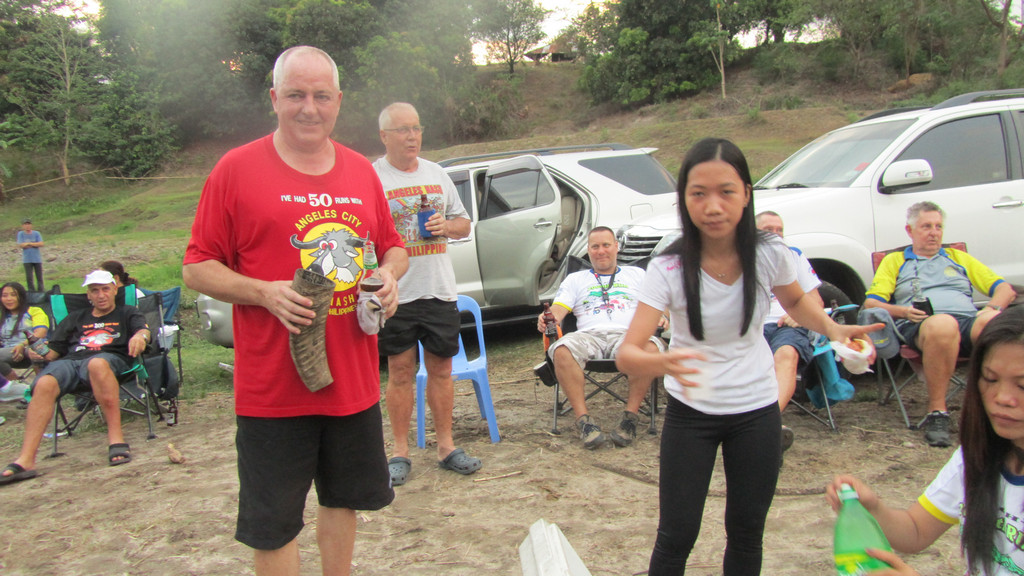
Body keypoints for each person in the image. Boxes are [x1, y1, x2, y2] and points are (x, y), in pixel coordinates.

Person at [182, 46, 407, 576]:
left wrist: (390, 276)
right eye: (296, 95)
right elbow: (196, 267)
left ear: (338, 101)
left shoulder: (360, 171)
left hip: (352, 380)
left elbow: (392, 246)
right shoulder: (236, 169)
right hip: (273, 391)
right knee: (275, 522)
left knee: (343, 500)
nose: (309, 108)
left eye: (321, 96)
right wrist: (263, 292)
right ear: (274, 99)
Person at [615, 138, 880, 575]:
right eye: (698, 193)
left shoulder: (769, 253)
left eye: (726, 192)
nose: (712, 206)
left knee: (746, 532)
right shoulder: (668, 267)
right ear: (684, 198)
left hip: (756, 412)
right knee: (676, 535)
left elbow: (796, 303)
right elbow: (627, 353)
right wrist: (661, 362)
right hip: (690, 413)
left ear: (746, 194)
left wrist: (833, 328)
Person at [826, 305, 1024, 576]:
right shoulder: (978, 456)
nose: (1002, 397)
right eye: (990, 379)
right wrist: (871, 507)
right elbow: (916, 531)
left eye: (1022, 385)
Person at [372, 102, 479, 486]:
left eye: (416, 128)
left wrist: (445, 226)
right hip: (396, 293)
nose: (412, 136)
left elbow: (464, 223)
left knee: (442, 370)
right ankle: (399, 452)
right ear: (384, 136)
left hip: (438, 290)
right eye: (402, 130)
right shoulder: (372, 177)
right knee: (400, 372)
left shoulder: (437, 174)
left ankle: (446, 447)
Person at [864, 200, 1017, 447]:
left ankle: (998, 407)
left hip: (966, 322)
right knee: (943, 324)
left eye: (938, 226)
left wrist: (992, 309)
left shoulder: (958, 257)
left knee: (993, 323)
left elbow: (1005, 290)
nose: (934, 233)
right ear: (910, 230)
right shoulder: (894, 261)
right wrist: (903, 311)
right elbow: (872, 304)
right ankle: (938, 412)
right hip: (921, 325)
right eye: (926, 226)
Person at [0, 269, 150, 486]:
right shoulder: (75, 317)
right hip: (71, 362)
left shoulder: (127, 312)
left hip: (110, 360)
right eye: (94, 290)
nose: (100, 295)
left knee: (97, 364)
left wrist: (140, 336)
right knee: (45, 382)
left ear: (114, 290)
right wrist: (37, 351)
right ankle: (26, 459)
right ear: (88, 294)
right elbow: (52, 354)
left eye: (105, 289)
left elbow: (144, 331)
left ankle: (116, 438)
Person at [538, 226, 667, 449]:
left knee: (650, 348)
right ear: (588, 250)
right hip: (588, 336)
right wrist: (547, 318)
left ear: (616, 247)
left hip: (629, 335)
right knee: (562, 349)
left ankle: (630, 418)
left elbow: (659, 304)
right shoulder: (575, 279)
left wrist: (663, 316)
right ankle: (584, 422)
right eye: (595, 246)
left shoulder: (637, 275)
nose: (601, 251)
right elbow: (558, 310)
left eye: (606, 245)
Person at [755, 210, 823, 452]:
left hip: (788, 324)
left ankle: (767, 424)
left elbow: (816, 300)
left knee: (786, 354)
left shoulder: (793, 255)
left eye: (779, 230)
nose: (776, 235)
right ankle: (768, 429)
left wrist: (798, 315)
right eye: (768, 230)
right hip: (753, 327)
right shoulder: (739, 258)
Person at [0, 281, 48, 401]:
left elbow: (40, 333)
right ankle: (18, 387)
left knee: (35, 350)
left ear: (21, 296)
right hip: (8, 352)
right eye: (5, 295)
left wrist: (22, 345)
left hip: (32, 348)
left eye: (13, 295)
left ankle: (42, 389)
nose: (8, 299)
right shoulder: (3, 317)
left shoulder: (34, 311)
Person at [17, 218, 44, 292]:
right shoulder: (21, 234)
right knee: (29, 277)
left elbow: (41, 243)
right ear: (23, 226)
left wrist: (29, 244)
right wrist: (34, 244)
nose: (27, 226)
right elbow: (21, 245)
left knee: (39, 277)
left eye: (28, 224)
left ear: (31, 225)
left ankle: (41, 291)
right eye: (25, 224)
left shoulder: (36, 233)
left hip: (37, 259)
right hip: (27, 259)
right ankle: (31, 291)